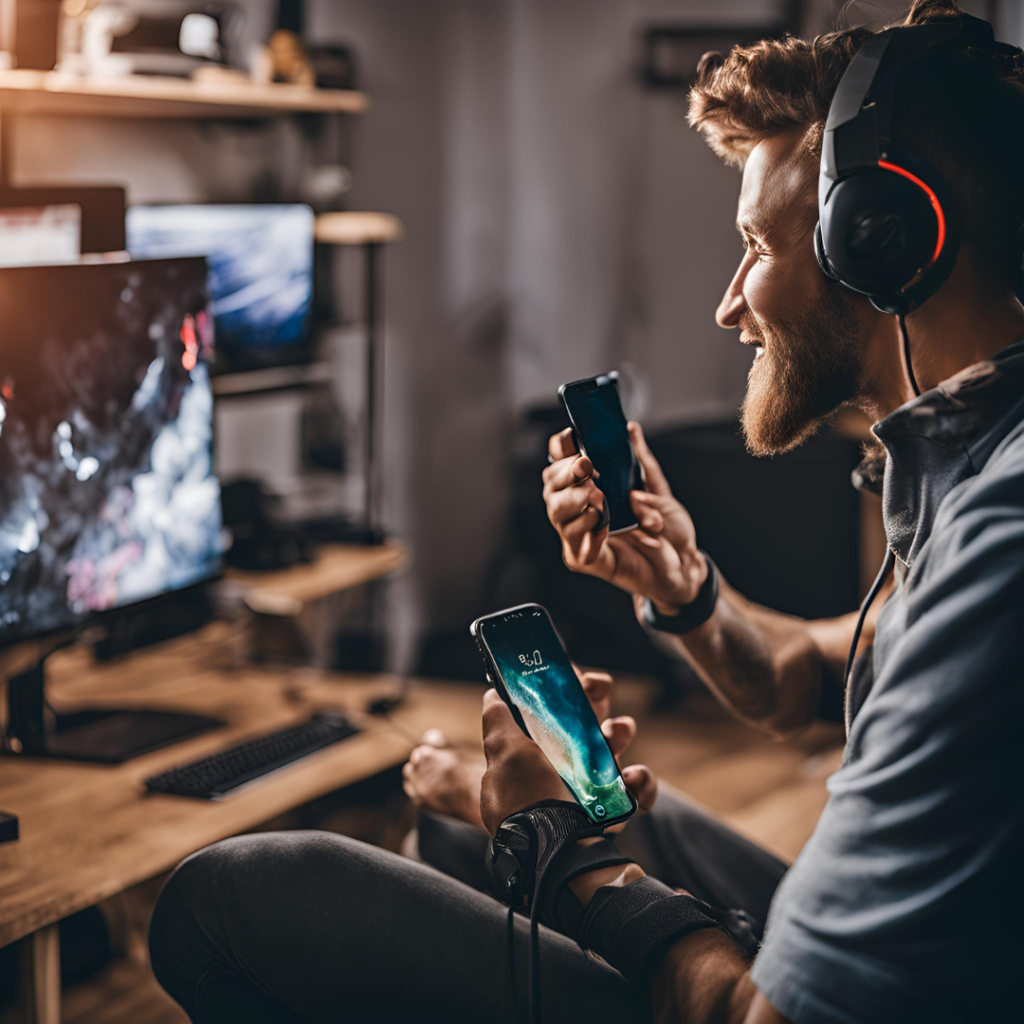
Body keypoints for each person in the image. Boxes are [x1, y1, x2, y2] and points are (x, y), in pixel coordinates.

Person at [148, 2, 1024, 1020]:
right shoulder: (977, 465)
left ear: (881, 244)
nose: (729, 303)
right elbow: (801, 678)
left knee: (224, 895)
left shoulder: (1000, 540)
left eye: (754, 245)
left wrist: (572, 859)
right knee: (464, 826)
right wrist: (683, 587)